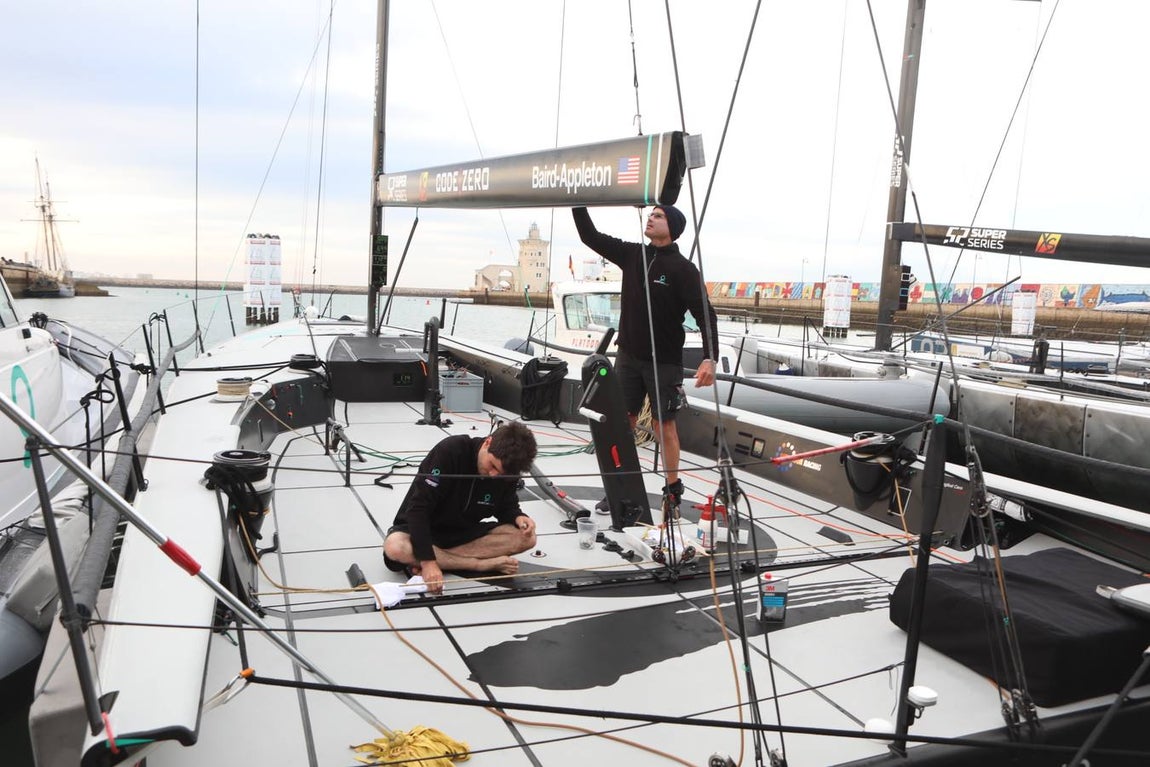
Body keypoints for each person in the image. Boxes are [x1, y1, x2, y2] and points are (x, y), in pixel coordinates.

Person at [572, 204, 719, 506]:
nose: (651, 218)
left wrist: (710, 357)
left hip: (663, 361)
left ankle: (673, 490)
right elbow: (590, 235)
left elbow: (706, 315)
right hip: (627, 356)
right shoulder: (632, 254)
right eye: (650, 214)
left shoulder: (684, 270)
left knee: (662, 424)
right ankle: (621, 486)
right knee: (621, 421)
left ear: (673, 227)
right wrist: (578, 201)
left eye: (658, 216)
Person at [383, 421, 538, 594]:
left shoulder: (507, 474)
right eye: (493, 466)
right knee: (394, 546)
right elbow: (418, 509)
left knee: (527, 538)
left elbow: (505, 506)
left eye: (502, 474)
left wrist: (517, 516)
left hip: (465, 533)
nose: (494, 475)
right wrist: (428, 562)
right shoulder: (451, 451)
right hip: (424, 530)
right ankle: (477, 564)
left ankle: (438, 559)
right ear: (488, 442)